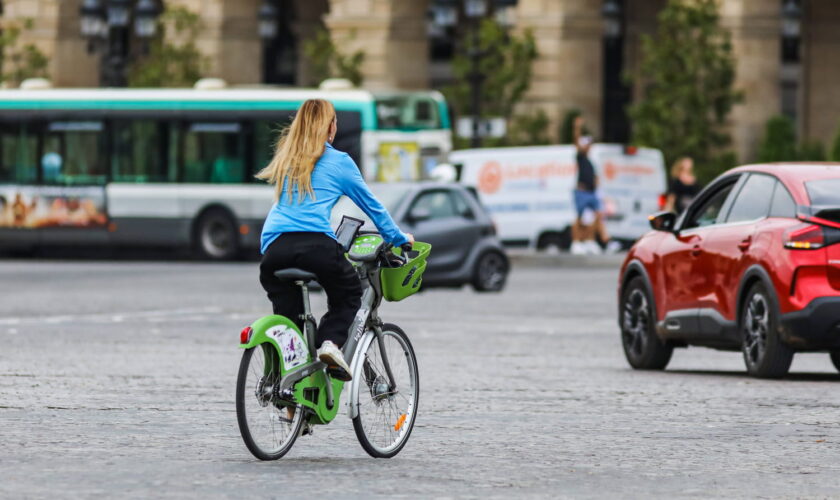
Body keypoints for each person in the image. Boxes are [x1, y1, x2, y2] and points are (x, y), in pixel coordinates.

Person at [256, 99, 413, 382]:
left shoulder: (287, 157)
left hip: (274, 249)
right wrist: (399, 239)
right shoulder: (339, 161)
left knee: (289, 319)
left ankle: (288, 391)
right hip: (316, 245)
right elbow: (373, 207)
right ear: (330, 127)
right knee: (348, 294)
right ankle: (330, 344)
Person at [570, 116, 621, 255]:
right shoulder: (580, 157)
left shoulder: (590, 161)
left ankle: (590, 241)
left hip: (592, 192)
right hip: (582, 192)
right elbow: (576, 140)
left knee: (597, 215)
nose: (588, 147)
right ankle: (576, 242)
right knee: (579, 218)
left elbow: (594, 178)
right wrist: (577, 127)